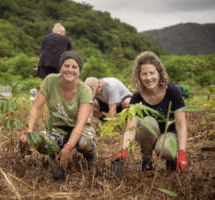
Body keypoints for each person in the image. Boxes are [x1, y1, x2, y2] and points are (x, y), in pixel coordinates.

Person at [20, 50, 96, 180]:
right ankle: (54, 159)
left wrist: (68, 147)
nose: (70, 70)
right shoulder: (50, 81)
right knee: (39, 140)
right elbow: (36, 107)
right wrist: (29, 130)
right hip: (57, 128)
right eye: (66, 66)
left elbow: (80, 124)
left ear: (79, 71)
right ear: (61, 67)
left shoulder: (85, 91)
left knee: (83, 143)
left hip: (80, 129)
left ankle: (91, 157)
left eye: (74, 67)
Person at [114, 51, 188, 172]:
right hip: (149, 136)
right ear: (139, 76)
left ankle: (171, 158)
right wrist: (123, 149)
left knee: (165, 149)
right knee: (147, 122)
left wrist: (182, 153)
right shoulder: (137, 98)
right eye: (144, 74)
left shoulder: (172, 91)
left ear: (159, 73)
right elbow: (130, 128)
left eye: (152, 73)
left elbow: (181, 124)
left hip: (169, 134)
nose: (149, 78)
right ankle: (147, 160)